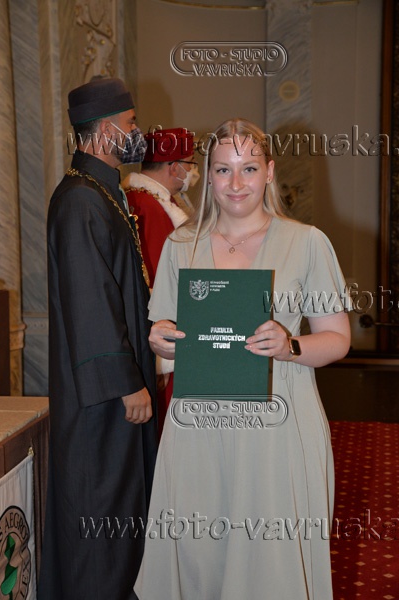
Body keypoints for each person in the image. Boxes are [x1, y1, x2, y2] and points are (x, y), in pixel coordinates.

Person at [134, 118, 351, 600]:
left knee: (272, 564)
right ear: (206, 175)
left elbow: (337, 339)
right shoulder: (181, 244)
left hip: (279, 426)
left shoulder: (307, 242)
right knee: (198, 555)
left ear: (269, 172)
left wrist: (291, 346)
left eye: (249, 168)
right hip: (198, 426)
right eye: (223, 169)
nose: (236, 183)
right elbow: (163, 330)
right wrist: (161, 340)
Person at [38, 78, 158, 600]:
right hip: (102, 402)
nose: (138, 132)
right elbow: (91, 301)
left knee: (119, 517)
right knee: (99, 519)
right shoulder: (81, 201)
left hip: (113, 396)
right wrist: (125, 383)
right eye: (131, 124)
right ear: (107, 131)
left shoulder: (101, 192)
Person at [122, 128, 196, 433]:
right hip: (164, 340)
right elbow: (155, 285)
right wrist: (161, 360)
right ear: (174, 167)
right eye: (190, 164)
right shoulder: (149, 207)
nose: (193, 172)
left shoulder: (148, 200)